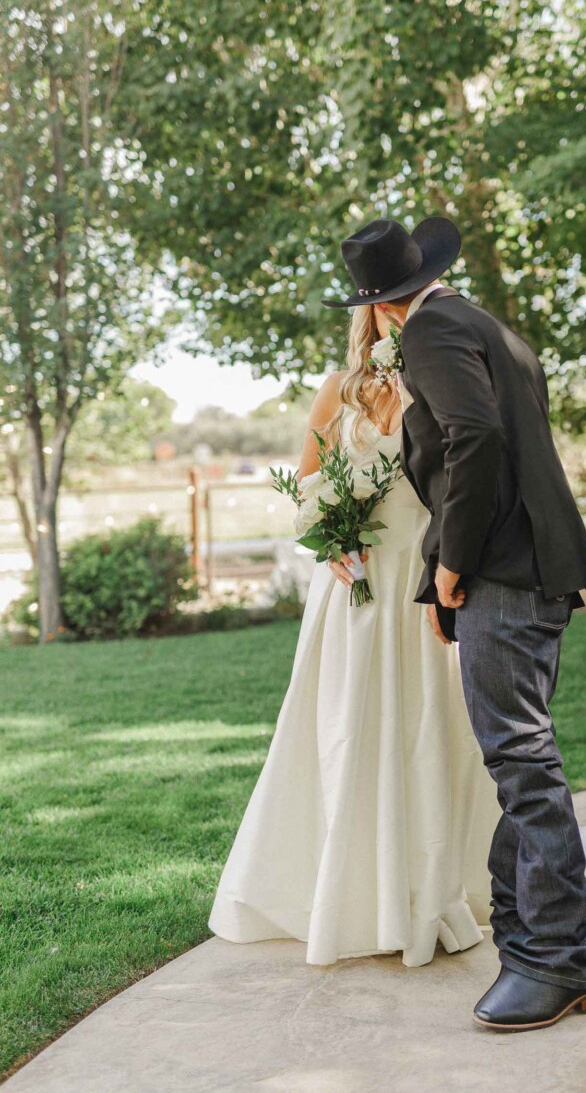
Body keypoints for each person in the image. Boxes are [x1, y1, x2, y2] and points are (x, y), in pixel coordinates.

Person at [324, 216, 586, 1032]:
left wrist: (452, 563)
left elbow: (474, 440)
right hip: (533, 566)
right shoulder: (485, 325)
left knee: (523, 764)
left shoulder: (430, 332)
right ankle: (531, 944)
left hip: (504, 569)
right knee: (521, 760)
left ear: (381, 305)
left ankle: (562, 960)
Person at [209, 300, 500, 967]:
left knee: (427, 724)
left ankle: (430, 889)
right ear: (370, 315)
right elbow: (308, 484)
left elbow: (466, 475)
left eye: (407, 304)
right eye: (385, 305)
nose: (396, 315)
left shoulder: (443, 380)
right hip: (354, 584)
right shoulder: (337, 390)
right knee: (347, 726)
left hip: (421, 573)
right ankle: (354, 895)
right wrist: (330, 539)